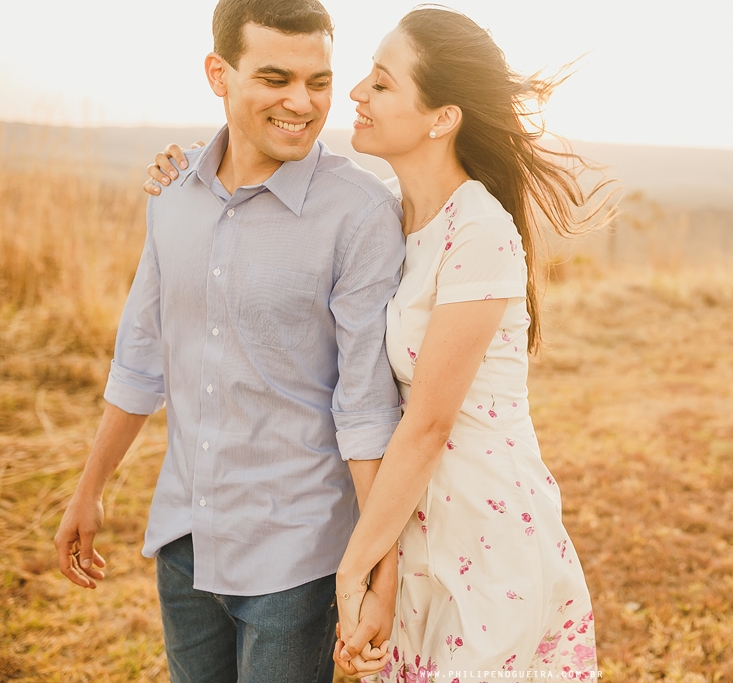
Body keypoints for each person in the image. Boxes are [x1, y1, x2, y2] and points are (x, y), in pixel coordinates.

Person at [145, 7, 609, 680]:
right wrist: (190, 170)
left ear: (441, 117)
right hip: (410, 522)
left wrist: (355, 566)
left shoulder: (479, 230)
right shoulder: (388, 211)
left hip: (480, 529)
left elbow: (426, 424)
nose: (356, 92)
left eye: (383, 84)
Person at [55, 0, 401, 680]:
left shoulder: (361, 213)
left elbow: (364, 409)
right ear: (219, 74)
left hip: (297, 556)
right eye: (275, 78)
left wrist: (377, 568)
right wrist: (90, 487)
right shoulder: (173, 190)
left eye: (319, 81)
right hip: (186, 534)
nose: (302, 103)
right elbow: (142, 356)